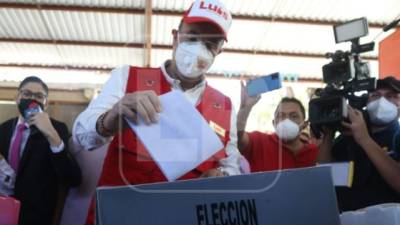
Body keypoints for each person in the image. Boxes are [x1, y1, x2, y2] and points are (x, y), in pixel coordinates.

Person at [72, 0, 241, 224]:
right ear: (175, 37)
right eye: (192, 38)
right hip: (118, 217)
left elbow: (232, 167)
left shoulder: (225, 106)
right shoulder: (128, 78)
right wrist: (111, 118)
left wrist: (222, 177)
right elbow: (82, 135)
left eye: (209, 45)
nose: (199, 50)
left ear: (218, 52)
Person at [0, 76, 81, 225]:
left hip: (37, 217)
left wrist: (51, 134)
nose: (32, 99)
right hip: (4, 212)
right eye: (26, 94)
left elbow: (72, 178)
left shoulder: (57, 128)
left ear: (46, 103)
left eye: (39, 96)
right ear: (17, 98)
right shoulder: (3, 129)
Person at [318, 76, 400, 211]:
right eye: (375, 95)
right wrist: (328, 135)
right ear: (366, 101)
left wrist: (365, 139)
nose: (382, 101)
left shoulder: (396, 138)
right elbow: (325, 179)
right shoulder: (347, 139)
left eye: (391, 96)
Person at [237, 81, 318, 172]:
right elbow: (237, 139)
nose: (286, 120)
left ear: (304, 124)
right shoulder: (259, 143)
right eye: (281, 116)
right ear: (273, 123)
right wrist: (244, 109)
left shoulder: (314, 152)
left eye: (294, 116)